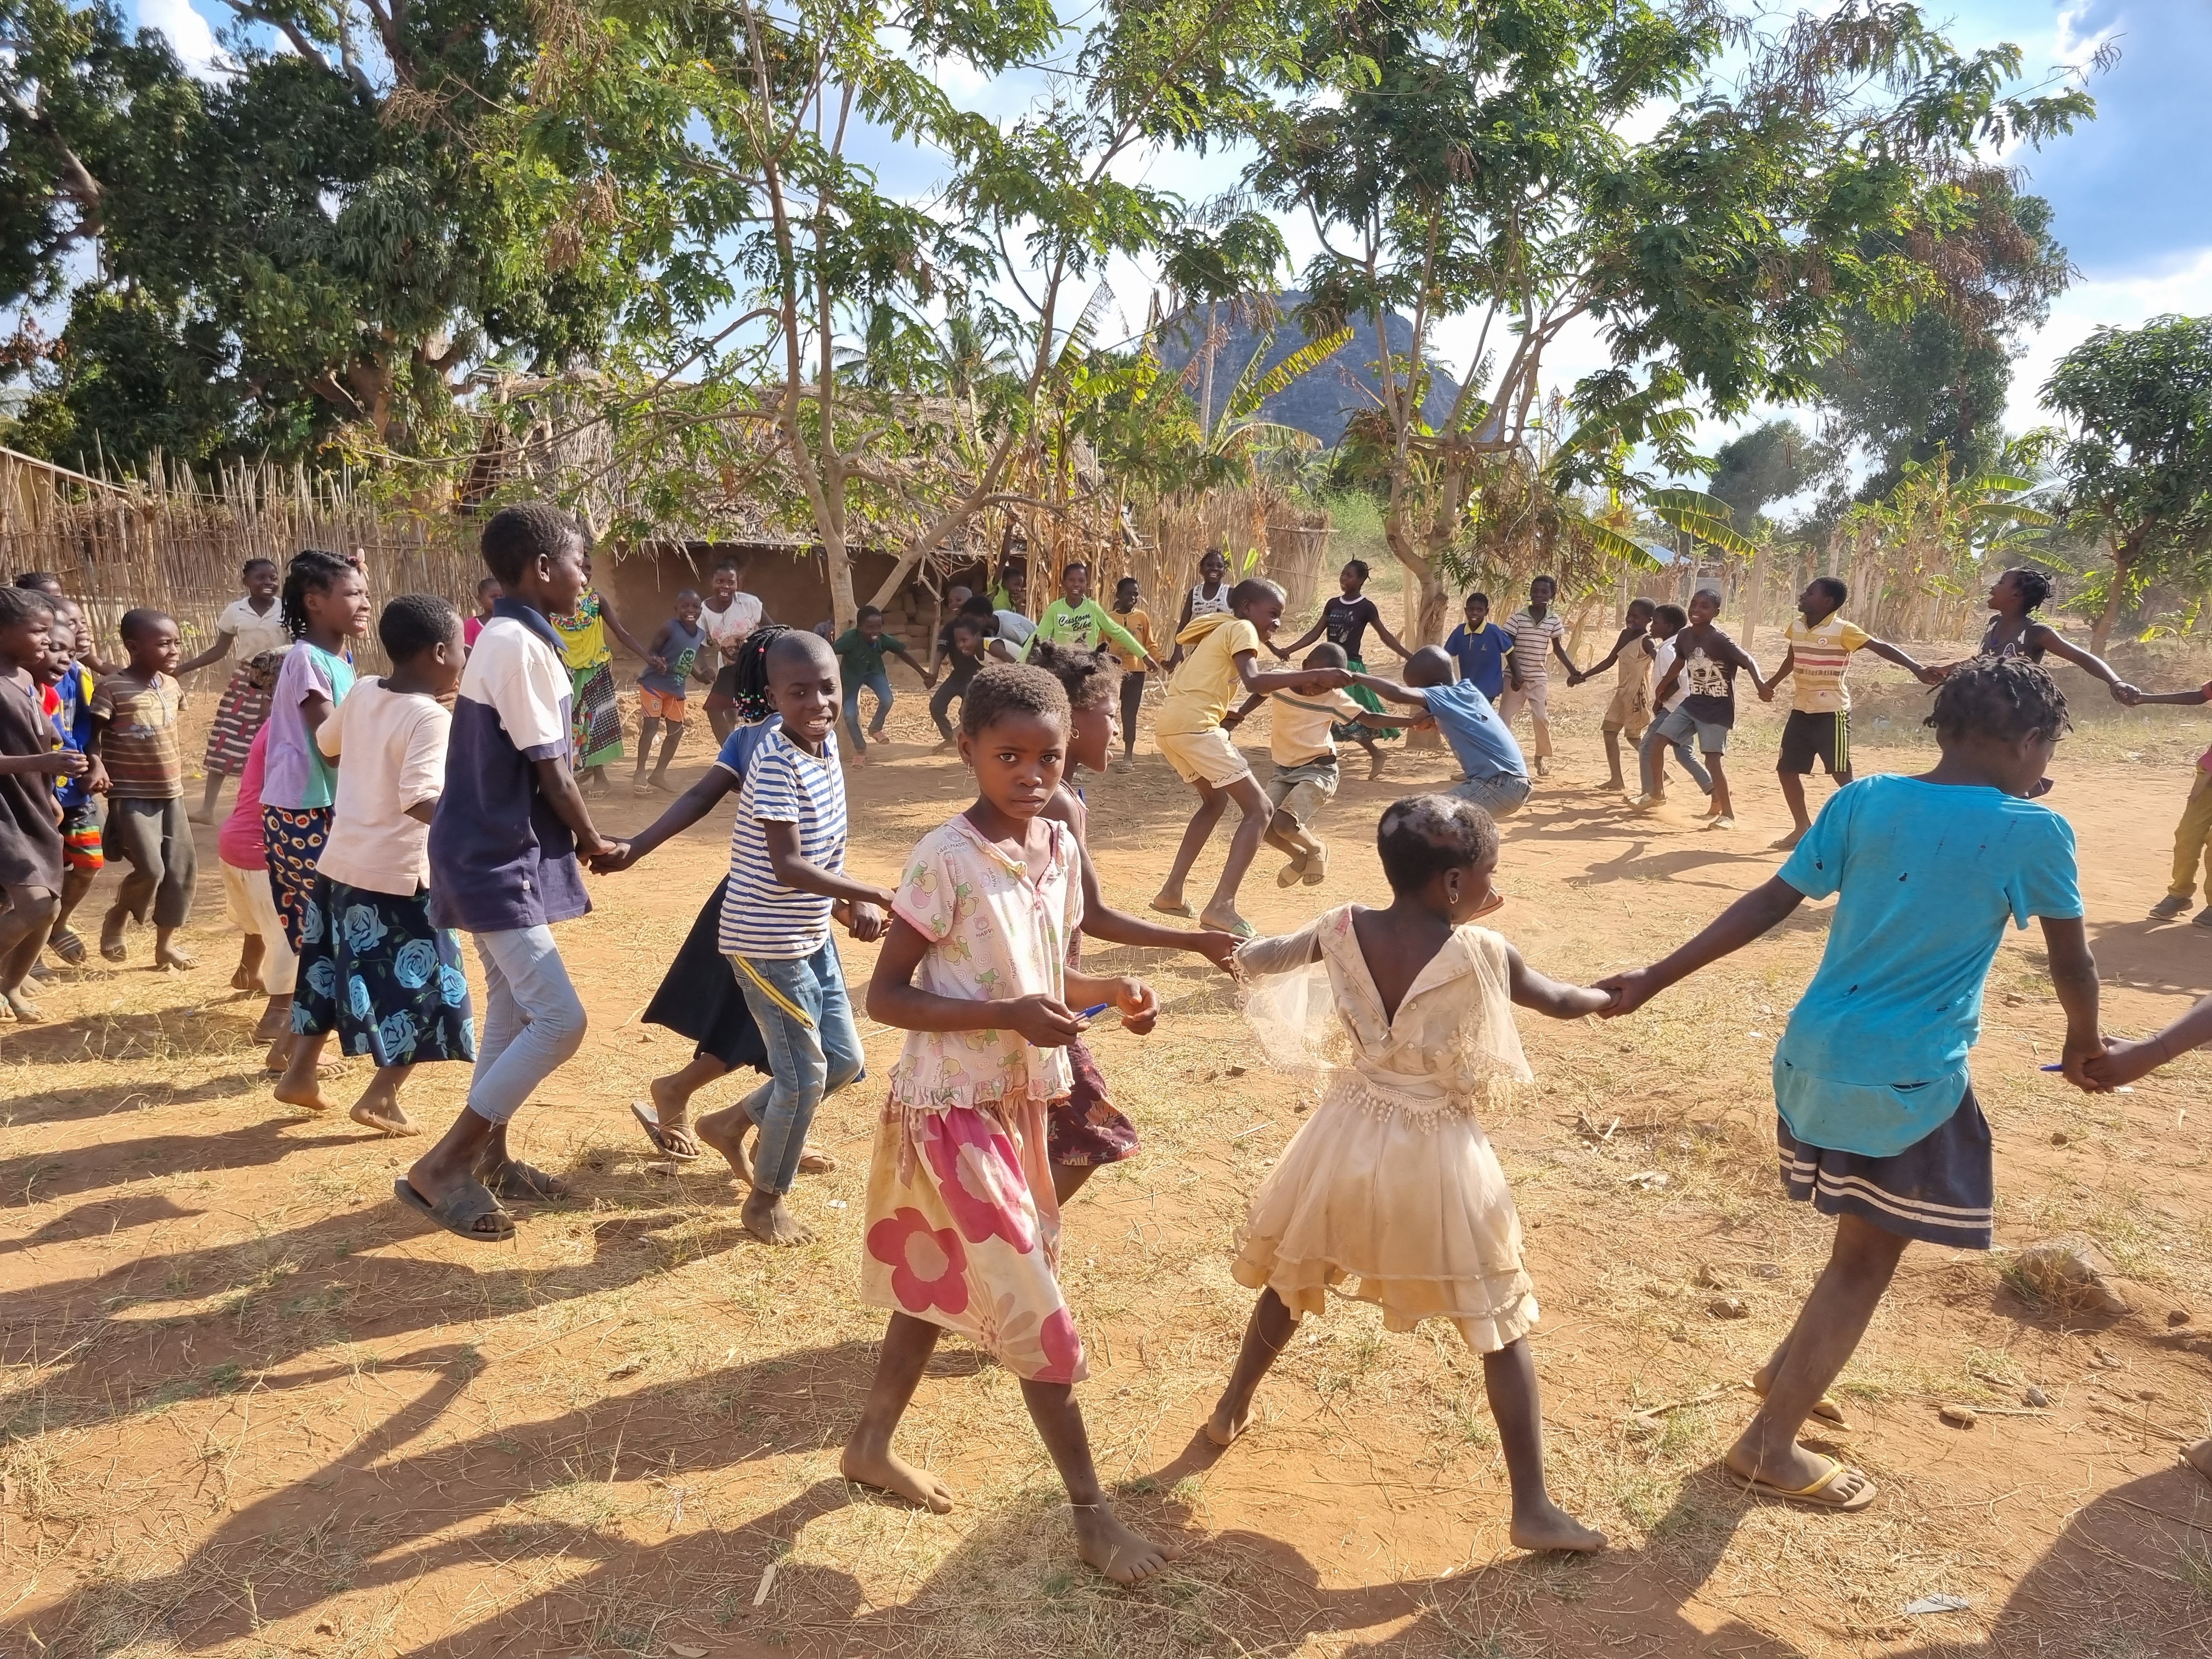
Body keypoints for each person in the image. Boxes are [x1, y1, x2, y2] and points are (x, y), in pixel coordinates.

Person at [1598, 656, 2100, 1513]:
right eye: (2044, 749)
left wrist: (1654, 976)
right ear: (2027, 743)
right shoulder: (2033, 831)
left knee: (1855, 1244)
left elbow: (1767, 901)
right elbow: (2072, 962)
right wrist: (2087, 1043)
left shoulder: (1864, 800)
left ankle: (1780, 1373)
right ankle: (1768, 1445)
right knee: (1866, 1261)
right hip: (1904, 1077)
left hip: (1814, 1055)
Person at [1205, 794, 1609, 1555]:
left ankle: (1229, 1409)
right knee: (1498, 1320)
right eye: (1491, 872)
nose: (1496, 885)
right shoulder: (1485, 952)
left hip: (1343, 1138)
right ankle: (1533, 1507)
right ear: (1454, 884)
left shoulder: (1342, 926)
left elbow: (1261, 959)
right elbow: (1562, 1001)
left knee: (1293, 1280)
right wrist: (1618, 994)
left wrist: (1225, 946)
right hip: (1437, 1156)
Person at [846, 661, 1175, 1586]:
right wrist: (1009, 1014)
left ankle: (869, 1441)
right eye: (1010, 755)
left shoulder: (1058, 847)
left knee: (939, 1281)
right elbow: (888, 994)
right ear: (968, 751)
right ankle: (1089, 1511)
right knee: (1038, 1311)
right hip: (950, 1111)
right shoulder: (943, 856)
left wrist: (1110, 990)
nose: (1032, 773)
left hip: (1023, 1100)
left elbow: (1046, 971)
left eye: (1049, 757)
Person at [592, 625, 882, 1223]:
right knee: (802, 1076)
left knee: (843, 1062)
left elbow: (823, 848)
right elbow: (787, 863)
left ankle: (730, 1123)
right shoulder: (772, 756)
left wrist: (849, 906)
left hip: (807, 930)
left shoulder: (823, 747)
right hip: (766, 937)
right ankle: (766, 1201)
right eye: (798, 692)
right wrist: (873, 893)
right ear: (774, 696)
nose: (818, 703)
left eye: (827, 688)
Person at [400, 504, 624, 1244]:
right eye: (578, 562)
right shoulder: (519, 645)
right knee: (561, 1020)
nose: (585, 575)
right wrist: (592, 839)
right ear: (541, 569)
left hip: (491, 850)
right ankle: (445, 1164)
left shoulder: (517, 638)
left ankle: (490, 1157)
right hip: (491, 856)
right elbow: (551, 767)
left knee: (512, 1007)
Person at [1028, 640, 1238, 1199]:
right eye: (1109, 715)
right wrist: (1195, 942)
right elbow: (1091, 915)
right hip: (1043, 990)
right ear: (1070, 722)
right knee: (1093, 1134)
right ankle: (1015, 1245)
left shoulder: (1059, 794)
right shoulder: (1057, 804)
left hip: (1046, 987)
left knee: (1039, 1127)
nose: (1119, 729)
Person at [280, 595, 473, 1139]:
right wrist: (476, 830)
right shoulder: (431, 717)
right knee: (430, 991)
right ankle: (381, 1098)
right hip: (398, 876)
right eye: (462, 648)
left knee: (324, 972)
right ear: (440, 652)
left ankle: (300, 1074)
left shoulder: (365, 690)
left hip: (341, 863)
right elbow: (418, 798)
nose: (465, 658)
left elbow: (327, 745)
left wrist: (372, 749)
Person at [1149, 578, 1351, 938]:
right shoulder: (1242, 629)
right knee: (1260, 810)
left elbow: (1206, 684)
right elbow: (1255, 682)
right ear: (1246, 608)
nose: (1276, 623)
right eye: (1272, 614)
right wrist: (1316, 673)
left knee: (1213, 802)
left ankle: (1171, 892)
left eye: (1280, 617)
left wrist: (1230, 714)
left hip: (1170, 726)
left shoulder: (1221, 629)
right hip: (1196, 727)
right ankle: (1221, 907)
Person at [1757, 577, 1943, 849]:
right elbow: (1792, 659)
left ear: (1827, 602)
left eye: (1810, 593)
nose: (1803, 595)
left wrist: (1916, 668)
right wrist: (1770, 685)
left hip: (1832, 712)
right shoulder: (1796, 627)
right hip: (1801, 709)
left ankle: (1864, 828)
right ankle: (1802, 827)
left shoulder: (1843, 630)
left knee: (1841, 774)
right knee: (1786, 770)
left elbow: (1880, 647)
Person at [259, 550, 371, 970]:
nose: (365, 604)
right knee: (328, 917)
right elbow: (331, 743)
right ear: (314, 601)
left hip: (329, 803)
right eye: (353, 594)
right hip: (302, 808)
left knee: (335, 918)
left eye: (365, 593)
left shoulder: (341, 659)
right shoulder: (306, 659)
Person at [1222, 642, 1409, 887]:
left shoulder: (1334, 698)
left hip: (1319, 769)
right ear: (1306, 667)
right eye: (1316, 681)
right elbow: (1260, 691)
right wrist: (1240, 716)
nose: (1316, 690)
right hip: (1283, 771)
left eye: (1326, 686)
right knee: (1262, 823)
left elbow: (1369, 719)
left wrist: (1412, 721)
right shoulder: (1281, 682)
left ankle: (1316, 849)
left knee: (1284, 825)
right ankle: (1299, 857)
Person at [88, 608, 196, 969]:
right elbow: (92, 738)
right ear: (134, 647)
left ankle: (165, 945)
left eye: (176, 642)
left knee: (180, 870)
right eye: (163, 643)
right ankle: (119, 915)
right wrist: (97, 764)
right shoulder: (111, 687)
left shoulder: (172, 685)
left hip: (172, 791)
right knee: (151, 869)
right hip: (131, 793)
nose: (174, 650)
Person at [0, 587, 80, 1020]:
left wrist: (52, 785)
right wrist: (44, 760)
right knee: (33, 904)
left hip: (31, 804)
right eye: (38, 632)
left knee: (48, 907)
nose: (47, 642)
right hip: (5, 812)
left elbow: (45, 732)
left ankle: (9, 987)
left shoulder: (27, 680)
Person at [1349, 646, 1532, 821]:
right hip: (1510, 784)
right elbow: (1373, 720)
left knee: (1428, 817)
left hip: (1498, 786)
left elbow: (1395, 693)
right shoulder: (1464, 694)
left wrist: (1356, 676)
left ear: (1436, 687)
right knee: (1448, 827)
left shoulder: (1446, 694)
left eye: (1422, 692)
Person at [1273, 560, 1411, 781]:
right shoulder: (1332, 604)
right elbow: (1315, 634)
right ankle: (1311, 759)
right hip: (1324, 668)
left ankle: (1375, 753)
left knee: (1354, 714)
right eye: (1342, 574)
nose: (1343, 579)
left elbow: (1384, 636)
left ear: (1361, 580)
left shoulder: (1366, 607)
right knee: (1326, 712)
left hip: (1348, 668)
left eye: (1349, 575)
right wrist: (1289, 649)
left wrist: (1409, 657)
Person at [178, 557, 292, 824]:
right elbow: (220, 650)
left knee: (274, 741)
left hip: (279, 681)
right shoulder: (236, 610)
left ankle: (268, 807)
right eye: (261, 578)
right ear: (246, 582)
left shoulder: (286, 609)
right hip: (245, 681)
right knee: (225, 739)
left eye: (273, 578)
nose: (268, 583)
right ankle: (207, 809)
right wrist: (185, 668)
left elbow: (298, 644)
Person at [217, 716, 298, 1071]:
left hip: (235, 843)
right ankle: (278, 1016)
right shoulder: (303, 732)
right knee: (294, 934)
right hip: (268, 852)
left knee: (260, 919)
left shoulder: (273, 724)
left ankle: (249, 972)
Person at [1641, 589, 1760, 828]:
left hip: (1717, 708)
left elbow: (1747, 660)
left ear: (1716, 612)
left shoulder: (1720, 640)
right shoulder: (1684, 636)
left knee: (1712, 761)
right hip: (1693, 703)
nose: (1696, 610)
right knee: (1656, 742)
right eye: (1694, 604)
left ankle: (1728, 814)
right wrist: (1661, 688)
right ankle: (1657, 794)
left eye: (1704, 607)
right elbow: (1679, 662)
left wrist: (1761, 685)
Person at [1947, 567, 2137, 703]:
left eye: (2001, 582)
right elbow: (1983, 660)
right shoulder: (1994, 623)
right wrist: (1946, 669)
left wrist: (2115, 682)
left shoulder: (2036, 632)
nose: (1992, 587)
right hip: (1985, 703)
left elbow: (2081, 657)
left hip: (2016, 709)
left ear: (2017, 594)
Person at [551, 553, 654, 795]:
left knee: (594, 722)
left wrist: (647, 657)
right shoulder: (552, 603)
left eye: (588, 568)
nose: (585, 573)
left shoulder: (597, 600)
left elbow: (621, 633)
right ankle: (570, 773)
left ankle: (601, 776)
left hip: (596, 668)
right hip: (565, 671)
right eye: (579, 567)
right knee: (568, 723)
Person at [40, 596, 106, 968]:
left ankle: (57, 926)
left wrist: (95, 763)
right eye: (69, 623)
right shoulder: (28, 685)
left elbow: (86, 726)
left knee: (89, 863)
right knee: (41, 876)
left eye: (80, 624)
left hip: (74, 787)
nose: (80, 630)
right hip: (39, 792)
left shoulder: (78, 674)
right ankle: (28, 945)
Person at [2129, 676, 2212, 924]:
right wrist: (2145, 699)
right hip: (2208, 776)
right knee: (2186, 838)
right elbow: (2200, 696)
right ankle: (2179, 895)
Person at [1568, 599, 1656, 793]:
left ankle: (1661, 775)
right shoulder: (1625, 635)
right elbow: (1609, 661)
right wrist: (1583, 676)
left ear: (1649, 620)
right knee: (1609, 733)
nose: (1630, 619)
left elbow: (1662, 663)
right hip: (1622, 693)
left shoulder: (1648, 642)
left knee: (1633, 738)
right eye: (1629, 614)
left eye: (1636, 616)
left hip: (1636, 695)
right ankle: (1616, 779)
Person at [1627, 603, 1710, 809]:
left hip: (1674, 707)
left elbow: (1676, 682)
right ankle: (1715, 788)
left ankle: (1651, 794)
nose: (1652, 626)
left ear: (1669, 627)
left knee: (1647, 746)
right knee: (1684, 753)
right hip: (1685, 705)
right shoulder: (1676, 645)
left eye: (1656, 622)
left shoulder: (1667, 650)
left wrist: (1659, 701)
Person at [1499, 576, 1582, 777]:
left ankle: (1540, 757)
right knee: (1504, 719)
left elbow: (1558, 649)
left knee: (1541, 718)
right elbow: (1508, 648)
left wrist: (1573, 671)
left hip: (1538, 677)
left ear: (1552, 595)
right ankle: (1503, 757)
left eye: (1544, 592)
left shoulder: (1554, 620)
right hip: (1513, 677)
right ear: (1530, 592)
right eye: (1535, 591)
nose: (1538, 595)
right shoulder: (1518, 617)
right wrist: (1517, 675)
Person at [632, 587, 712, 794]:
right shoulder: (669, 627)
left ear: (701, 610)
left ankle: (659, 774)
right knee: (651, 727)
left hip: (676, 689)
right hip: (654, 684)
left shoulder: (700, 635)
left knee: (676, 731)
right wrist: (656, 661)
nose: (690, 610)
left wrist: (701, 676)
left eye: (695, 606)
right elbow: (653, 650)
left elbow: (688, 660)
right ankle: (640, 772)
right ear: (676, 608)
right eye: (685, 606)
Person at [833, 605, 931, 764]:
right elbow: (830, 651)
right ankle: (860, 749)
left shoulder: (883, 639)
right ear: (859, 628)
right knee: (850, 716)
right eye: (870, 627)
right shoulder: (850, 639)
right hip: (851, 678)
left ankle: (875, 728)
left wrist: (923, 673)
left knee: (888, 699)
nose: (875, 632)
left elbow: (903, 654)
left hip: (874, 673)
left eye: (878, 627)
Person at [1024, 562, 1160, 675]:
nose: (1076, 584)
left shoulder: (1093, 609)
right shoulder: (1055, 609)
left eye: (1081, 581)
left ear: (1087, 585)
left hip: (1088, 665)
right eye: (1071, 580)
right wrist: (1020, 663)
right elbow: (1038, 636)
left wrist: (1144, 655)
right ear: (1063, 583)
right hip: (1061, 665)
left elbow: (1117, 632)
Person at [701, 560, 768, 742]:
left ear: (737, 583)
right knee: (714, 709)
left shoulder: (749, 603)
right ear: (711, 582)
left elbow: (772, 627)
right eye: (720, 581)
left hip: (755, 665)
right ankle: (730, 753)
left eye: (731, 582)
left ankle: (758, 749)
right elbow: (698, 644)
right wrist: (704, 668)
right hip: (729, 668)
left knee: (755, 712)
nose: (726, 586)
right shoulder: (703, 612)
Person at [1107, 575, 1156, 768]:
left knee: (1129, 713)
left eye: (1136, 594)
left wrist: (1159, 660)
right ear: (1118, 595)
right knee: (1109, 712)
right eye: (1128, 594)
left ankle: (1128, 755)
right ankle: (1105, 751)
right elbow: (1102, 644)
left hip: (1136, 672)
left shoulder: (1142, 618)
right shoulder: (1109, 619)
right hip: (1113, 673)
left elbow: (1149, 643)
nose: (1133, 598)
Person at [927, 611, 989, 752]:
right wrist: (934, 674)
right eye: (951, 601)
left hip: (976, 678)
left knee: (966, 713)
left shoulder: (984, 631)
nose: (960, 645)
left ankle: (969, 746)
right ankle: (950, 739)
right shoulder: (951, 628)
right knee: (936, 706)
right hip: (957, 676)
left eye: (959, 600)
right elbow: (941, 651)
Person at [1444, 592, 1513, 702]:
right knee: (1474, 714)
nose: (1474, 613)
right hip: (1469, 686)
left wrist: (1517, 676)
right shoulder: (1460, 632)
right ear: (1466, 611)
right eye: (1471, 610)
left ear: (1486, 612)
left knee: (1479, 713)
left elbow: (1510, 651)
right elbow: (1446, 655)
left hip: (1489, 686)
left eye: (1479, 610)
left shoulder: (1493, 631)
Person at [1171, 547, 1233, 665]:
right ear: (1201, 570)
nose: (1215, 568)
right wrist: (1178, 650)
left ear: (1224, 571)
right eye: (1210, 565)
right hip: (1202, 649)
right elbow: (1183, 625)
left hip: (1224, 650)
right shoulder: (1194, 594)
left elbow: (1246, 622)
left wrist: (1272, 648)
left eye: (1219, 566)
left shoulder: (1230, 593)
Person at [463, 577, 501, 649]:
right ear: (480, 599)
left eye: (501, 596)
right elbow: (468, 656)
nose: (498, 601)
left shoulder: (508, 623)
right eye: (493, 597)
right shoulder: (471, 625)